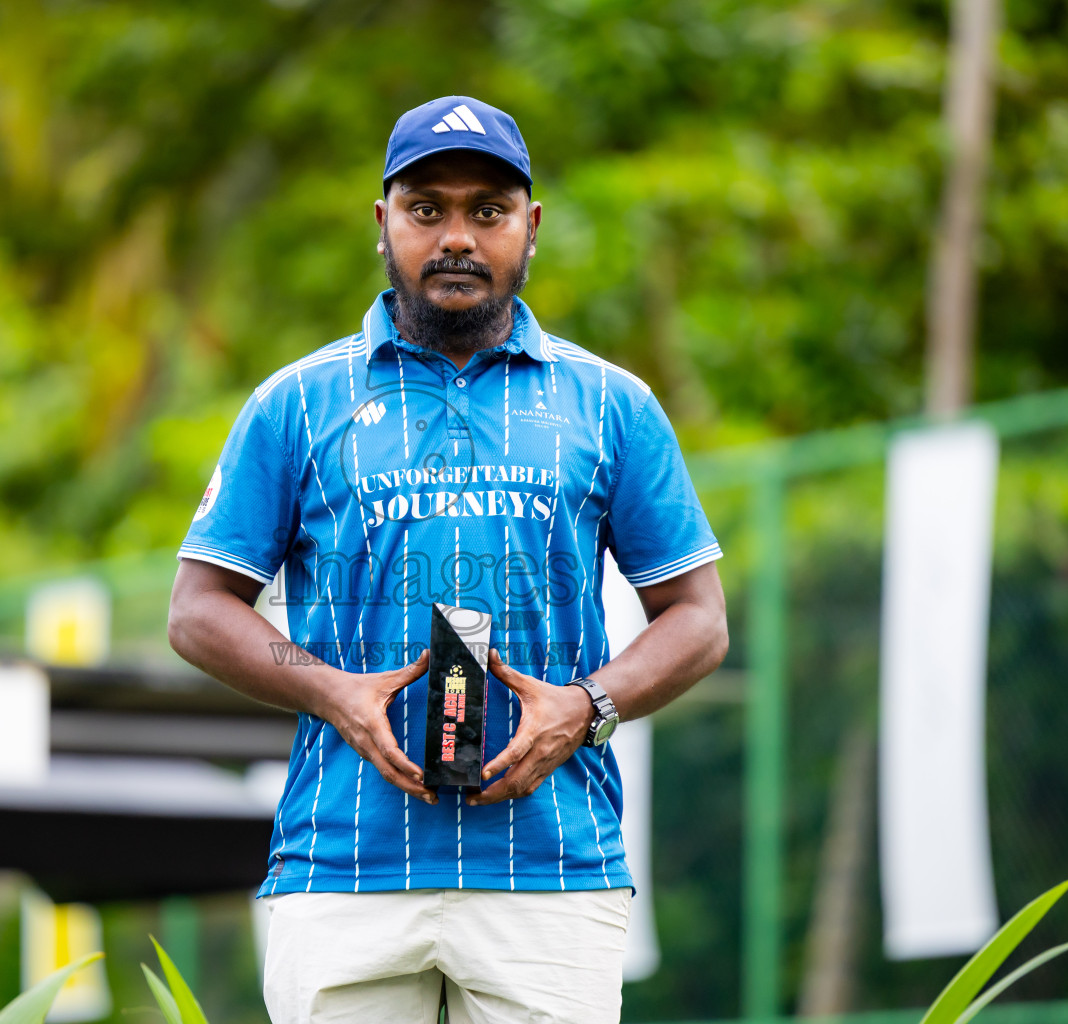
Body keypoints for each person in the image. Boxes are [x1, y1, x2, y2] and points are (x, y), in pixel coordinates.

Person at [167, 95, 728, 1024]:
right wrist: (331, 691)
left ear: (530, 227)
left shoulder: (612, 405)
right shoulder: (296, 403)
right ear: (382, 221)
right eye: (427, 209)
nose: (458, 237)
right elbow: (197, 611)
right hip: (342, 865)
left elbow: (699, 619)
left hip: (552, 871)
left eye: (487, 211)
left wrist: (586, 708)